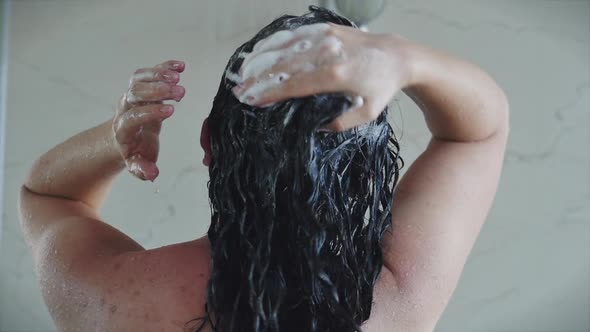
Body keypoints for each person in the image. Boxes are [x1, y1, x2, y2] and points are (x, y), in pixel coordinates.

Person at [18, 6, 509, 332]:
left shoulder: (116, 298)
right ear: (369, 165)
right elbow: (478, 130)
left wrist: (114, 141)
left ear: (208, 141)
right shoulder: (396, 302)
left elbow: (47, 199)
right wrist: (402, 58)